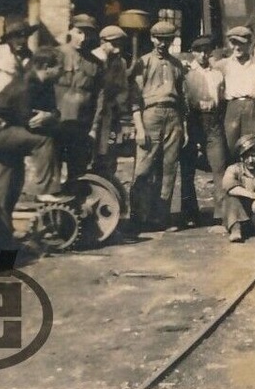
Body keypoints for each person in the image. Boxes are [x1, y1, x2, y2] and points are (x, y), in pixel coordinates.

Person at [0, 47, 65, 219]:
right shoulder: (25, 86)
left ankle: (0, 230)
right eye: (60, 67)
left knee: (10, 184)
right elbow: (30, 122)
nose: (63, 71)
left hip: (11, 131)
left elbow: (53, 111)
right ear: (47, 67)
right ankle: (45, 190)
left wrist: (50, 116)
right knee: (44, 140)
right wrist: (49, 118)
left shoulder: (45, 84)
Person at [130, 21, 187, 231]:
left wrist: (184, 126)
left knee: (169, 168)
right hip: (150, 114)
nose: (162, 43)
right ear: (152, 39)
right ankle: (137, 218)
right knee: (144, 167)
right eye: (158, 39)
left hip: (173, 116)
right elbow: (135, 99)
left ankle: (161, 218)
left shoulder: (177, 65)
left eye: (167, 40)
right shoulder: (143, 63)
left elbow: (183, 99)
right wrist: (140, 127)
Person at [180, 35, 227, 224]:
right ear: (193, 52)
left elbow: (223, 99)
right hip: (193, 120)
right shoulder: (186, 73)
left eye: (207, 51)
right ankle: (189, 214)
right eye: (199, 51)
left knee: (219, 166)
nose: (203, 55)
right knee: (187, 168)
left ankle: (222, 214)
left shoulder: (218, 73)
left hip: (213, 122)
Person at [55, 13, 104, 181]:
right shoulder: (55, 56)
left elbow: (100, 98)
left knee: (78, 173)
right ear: (70, 31)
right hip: (57, 123)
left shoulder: (96, 64)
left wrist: (94, 128)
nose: (83, 38)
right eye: (79, 32)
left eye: (88, 33)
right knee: (53, 172)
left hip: (81, 126)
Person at [215, 26, 255, 154]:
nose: (237, 47)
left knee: (251, 146)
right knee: (230, 147)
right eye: (234, 43)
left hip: (253, 109)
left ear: (249, 44)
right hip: (231, 109)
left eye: (241, 43)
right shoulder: (223, 65)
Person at [90, 25, 130, 178]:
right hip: (91, 113)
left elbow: (122, 92)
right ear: (103, 42)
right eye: (114, 45)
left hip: (110, 116)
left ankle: (106, 185)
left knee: (108, 153)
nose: (117, 49)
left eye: (120, 45)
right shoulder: (91, 59)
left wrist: (125, 120)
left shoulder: (120, 63)